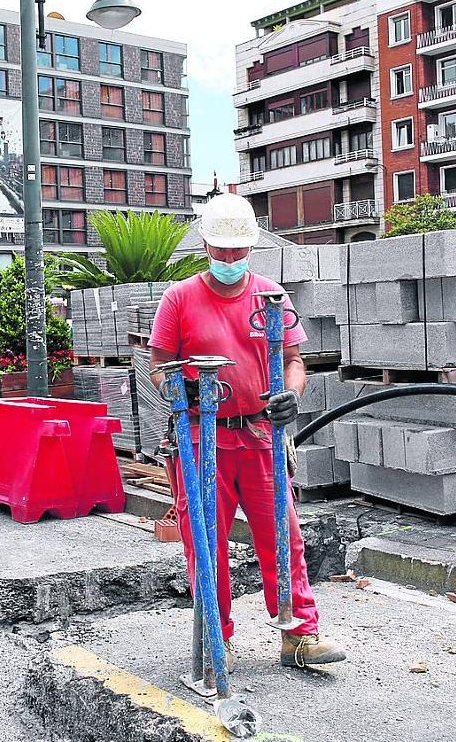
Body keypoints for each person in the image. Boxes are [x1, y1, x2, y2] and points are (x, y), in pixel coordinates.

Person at [148, 193, 346, 668]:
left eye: (239, 252)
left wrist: (292, 396)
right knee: (206, 543)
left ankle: (299, 634)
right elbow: (157, 367)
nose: (231, 261)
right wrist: (185, 393)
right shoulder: (179, 299)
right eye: (222, 252)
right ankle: (217, 637)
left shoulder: (271, 297)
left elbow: (294, 362)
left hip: (261, 439)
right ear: (205, 245)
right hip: (202, 441)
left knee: (284, 536)